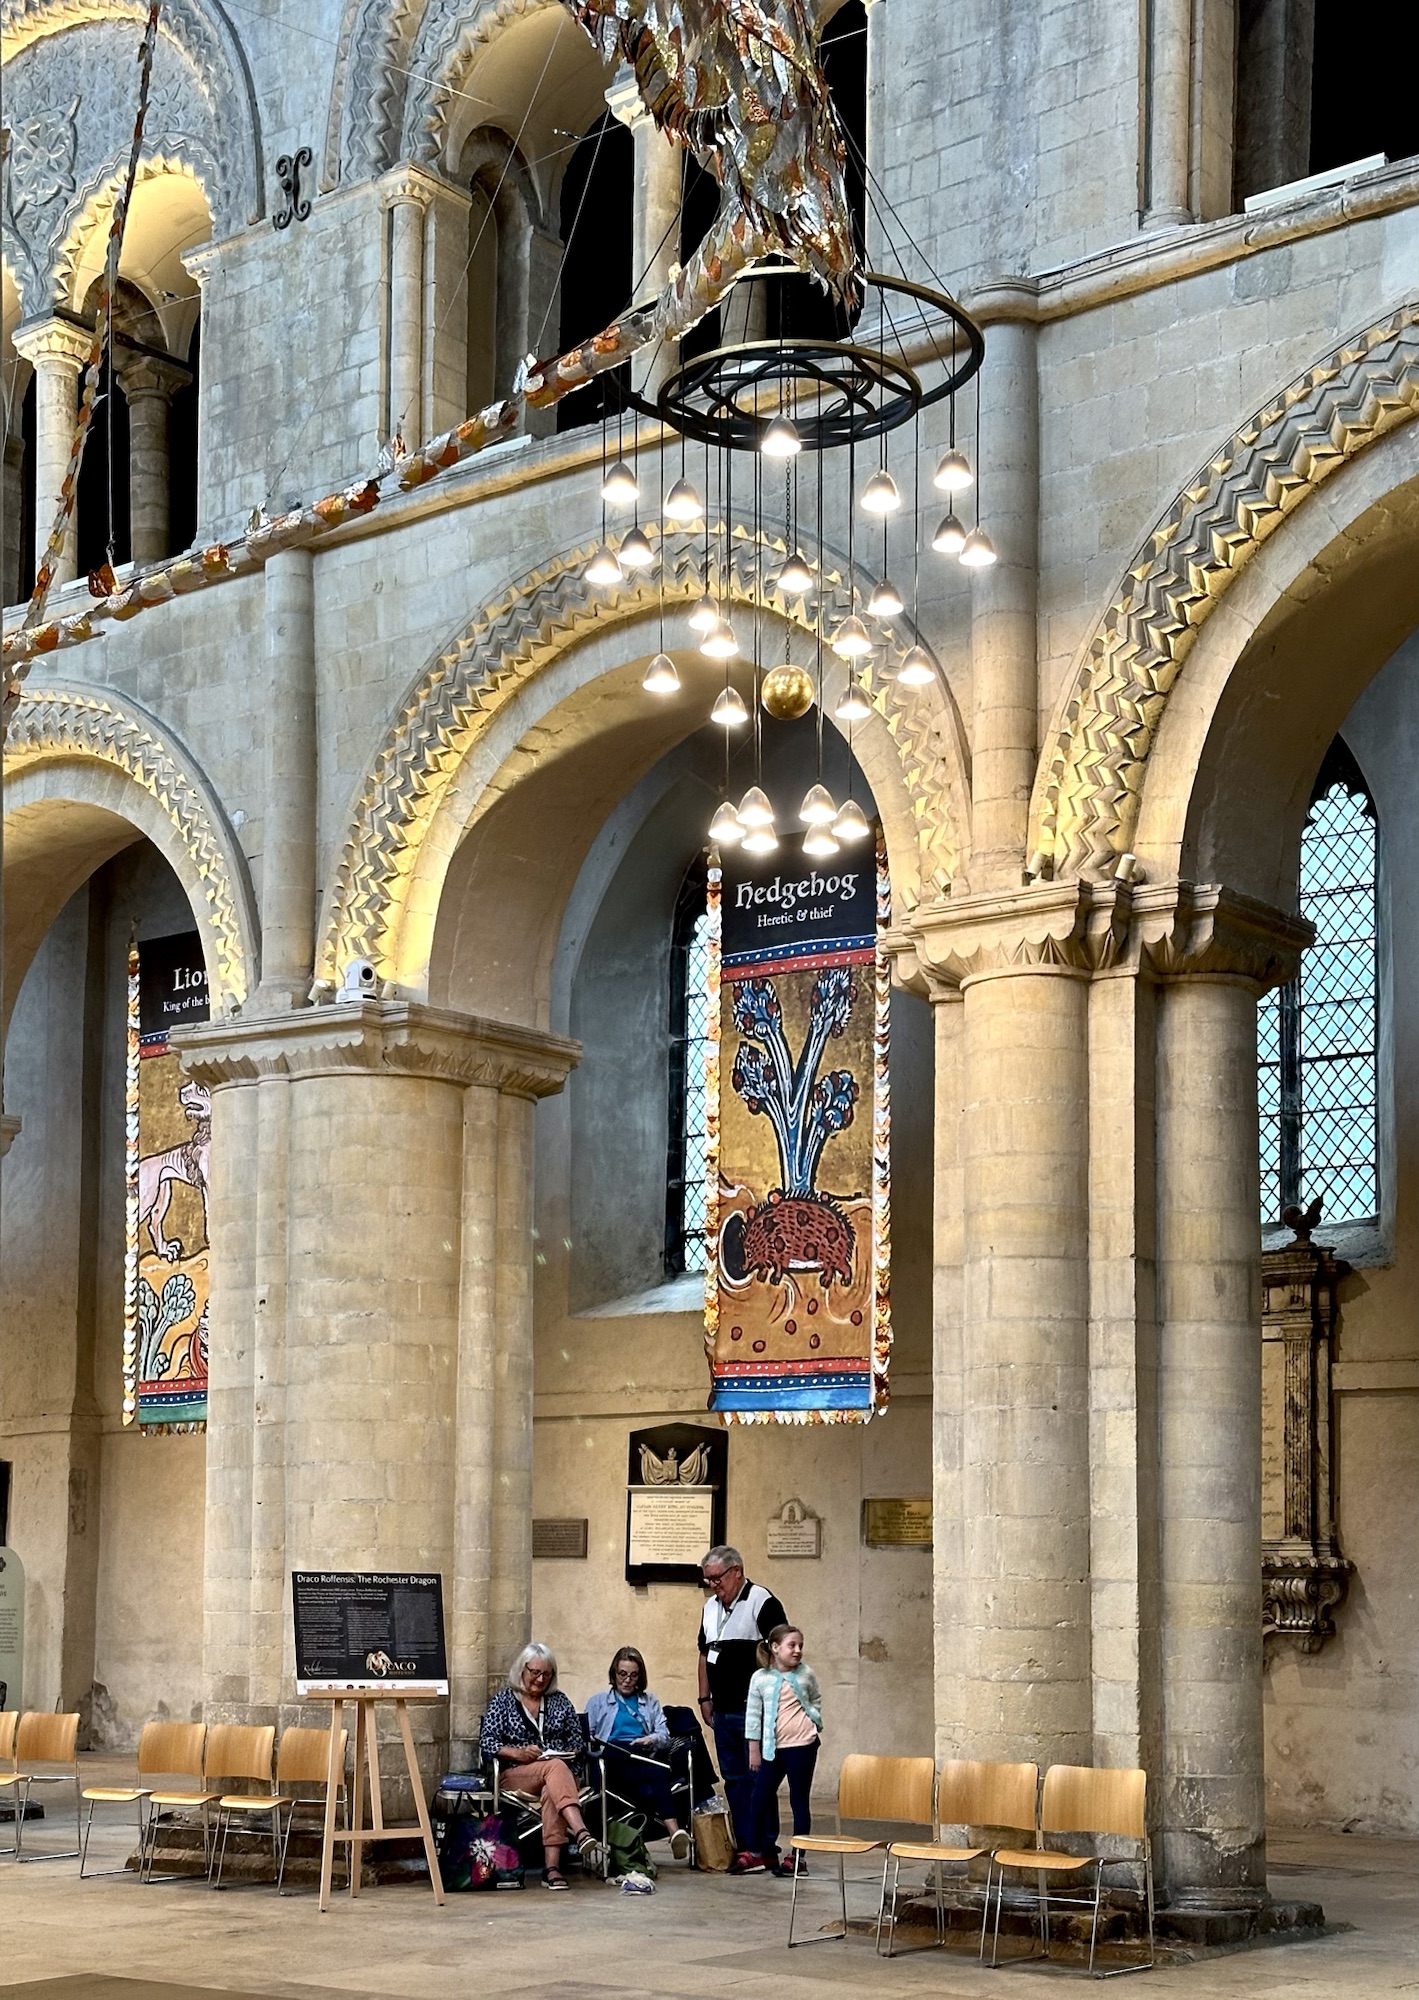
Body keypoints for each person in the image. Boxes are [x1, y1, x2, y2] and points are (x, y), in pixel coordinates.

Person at [479, 1641, 602, 1889]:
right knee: (554, 1768)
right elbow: (487, 1742)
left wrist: (563, 1753)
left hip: (561, 1776)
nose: (540, 1679)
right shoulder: (503, 1701)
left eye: (546, 1674)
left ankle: (552, 1870)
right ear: (521, 1669)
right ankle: (580, 1831)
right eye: (534, 1672)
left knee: (552, 1785)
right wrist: (519, 1753)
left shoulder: (560, 1701)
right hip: (518, 1773)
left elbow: (577, 1742)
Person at [696, 1543, 787, 1873]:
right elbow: (704, 1654)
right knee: (733, 1780)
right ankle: (747, 1844)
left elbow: (781, 1653)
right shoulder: (710, 1608)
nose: (713, 1585)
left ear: (737, 1572)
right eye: (708, 1580)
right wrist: (704, 1698)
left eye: (717, 1578)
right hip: (722, 1709)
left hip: (753, 1709)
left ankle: (764, 1846)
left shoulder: (762, 1601)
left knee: (758, 1778)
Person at [585, 1645, 691, 1860]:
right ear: (614, 1674)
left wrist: (651, 1739)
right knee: (617, 1751)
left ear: (640, 1677)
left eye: (633, 1675)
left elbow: (664, 1734)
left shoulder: (649, 1701)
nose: (627, 1680)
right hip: (610, 1763)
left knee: (659, 1771)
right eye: (622, 1674)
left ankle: (674, 1833)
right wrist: (596, 1743)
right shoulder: (598, 1702)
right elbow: (587, 1738)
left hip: (639, 1759)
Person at [745, 1624, 822, 1876]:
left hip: (802, 1747)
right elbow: (753, 1715)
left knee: (799, 1801)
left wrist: (813, 1720)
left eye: (800, 1645)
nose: (797, 1650)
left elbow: (815, 1698)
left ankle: (798, 1857)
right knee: (759, 1798)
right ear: (775, 1648)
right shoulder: (760, 1678)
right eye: (792, 1645)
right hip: (773, 1750)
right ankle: (755, 1851)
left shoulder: (805, 1673)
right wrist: (754, 1749)